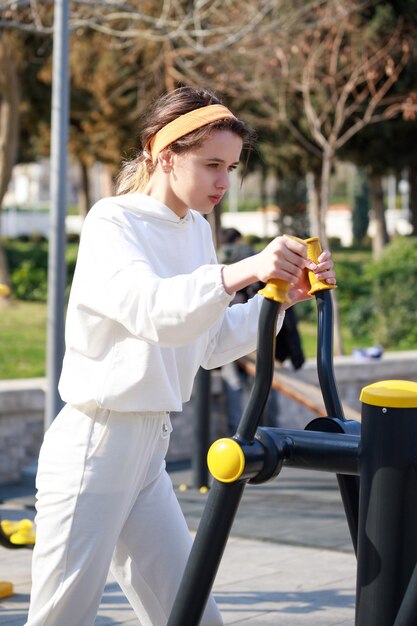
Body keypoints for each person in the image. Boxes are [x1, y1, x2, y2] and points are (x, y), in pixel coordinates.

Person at [25, 86, 336, 626]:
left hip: (149, 455)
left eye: (232, 167)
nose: (223, 181)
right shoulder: (112, 221)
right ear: (163, 155)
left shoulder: (195, 229)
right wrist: (246, 271)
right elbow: (153, 310)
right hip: (94, 449)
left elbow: (208, 342)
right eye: (211, 164)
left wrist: (280, 299)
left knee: (192, 617)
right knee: (60, 619)